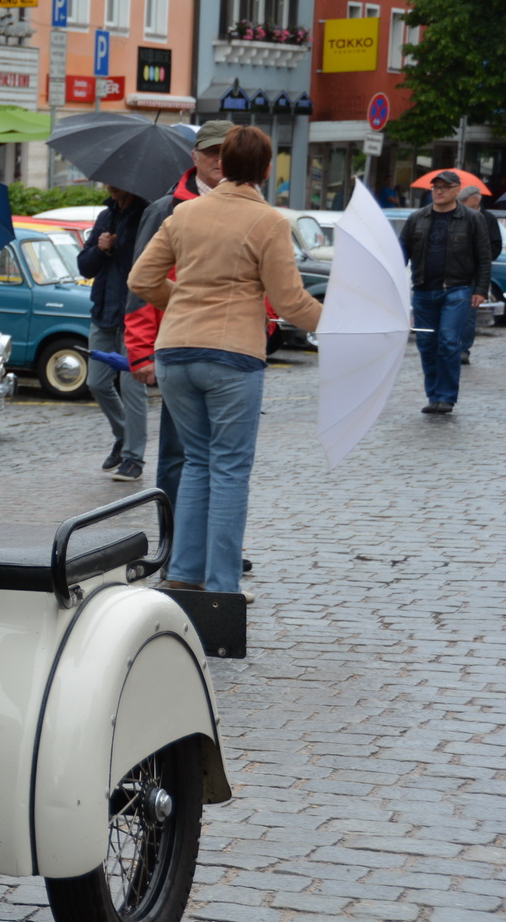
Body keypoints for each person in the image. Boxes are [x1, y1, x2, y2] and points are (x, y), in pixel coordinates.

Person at [128, 126, 322, 598]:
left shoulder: (185, 213)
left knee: (196, 463)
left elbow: (141, 279)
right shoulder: (269, 222)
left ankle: (184, 573)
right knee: (230, 469)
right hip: (232, 355)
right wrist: (340, 322)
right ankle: (222, 586)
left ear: (224, 164)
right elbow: (290, 302)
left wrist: (182, 301)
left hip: (175, 352)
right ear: (266, 169)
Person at [398, 170, 493, 412]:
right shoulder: (417, 218)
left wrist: (481, 289)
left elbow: (483, 257)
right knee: (427, 343)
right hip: (423, 291)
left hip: (457, 290)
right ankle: (434, 396)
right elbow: (400, 253)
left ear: (457, 190)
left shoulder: (472, 219)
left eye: (444, 187)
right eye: (435, 187)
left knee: (449, 341)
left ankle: (446, 397)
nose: (439, 191)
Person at [77, 185, 148, 481]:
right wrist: (100, 248)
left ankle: (133, 458)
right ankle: (123, 436)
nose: (110, 186)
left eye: (115, 181)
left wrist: (122, 248)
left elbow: (150, 264)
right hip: (104, 313)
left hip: (135, 315)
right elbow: (84, 267)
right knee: (96, 382)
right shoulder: (106, 216)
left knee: (133, 387)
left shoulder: (146, 215)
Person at [454, 184, 502, 366]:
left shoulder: (488, 218)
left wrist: (482, 257)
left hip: (474, 273)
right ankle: (448, 347)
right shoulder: (455, 216)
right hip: (453, 272)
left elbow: (495, 246)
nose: (474, 209)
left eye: (476, 205)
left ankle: (463, 350)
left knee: (468, 314)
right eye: (470, 206)